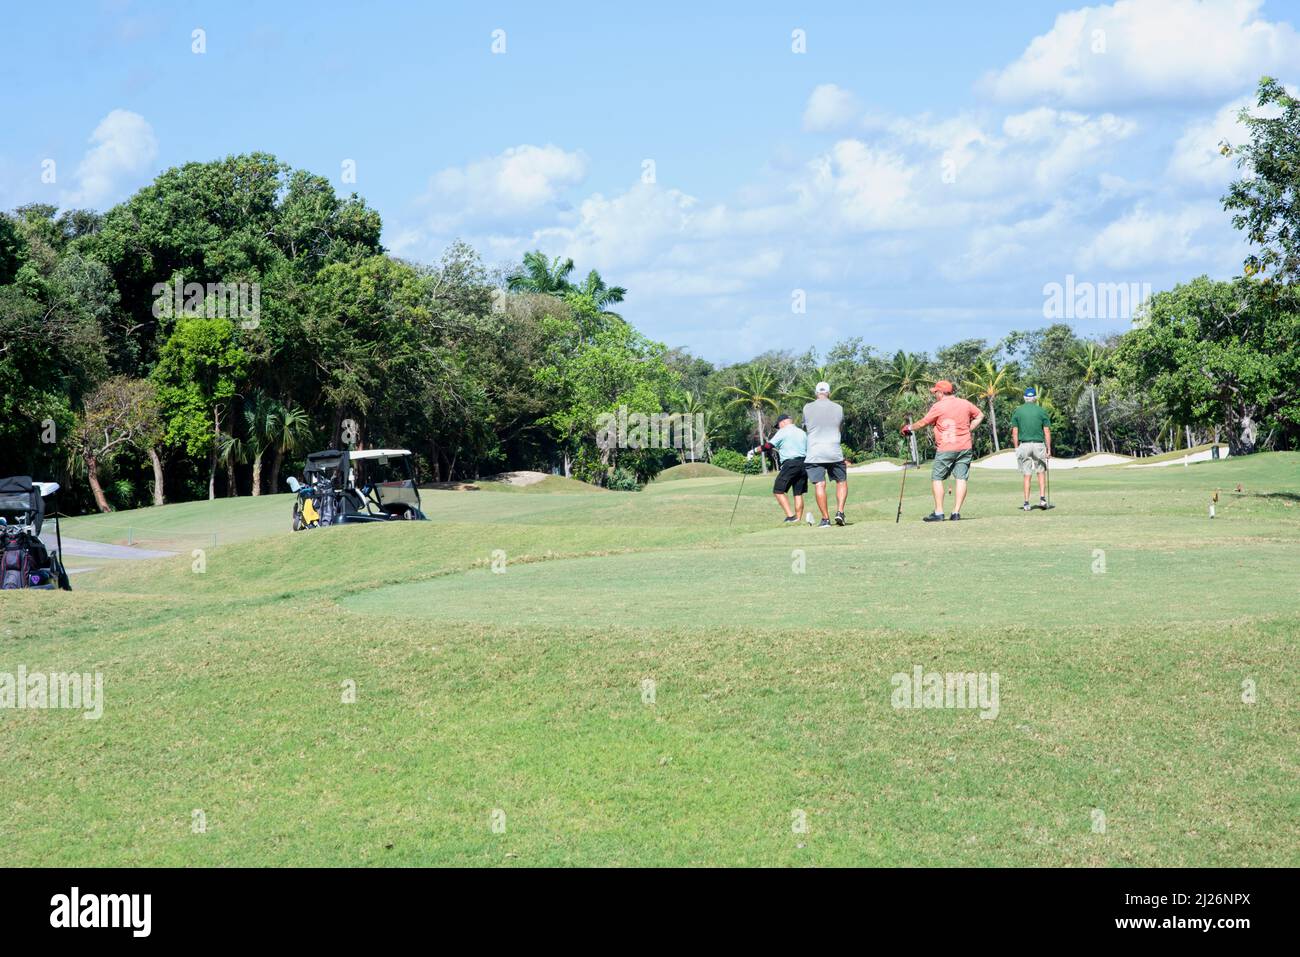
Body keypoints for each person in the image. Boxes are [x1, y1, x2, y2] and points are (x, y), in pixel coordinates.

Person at [902, 380, 984, 522]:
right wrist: (968, 429)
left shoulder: (938, 406)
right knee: (961, 478)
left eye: (936, 393)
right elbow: (980, 415)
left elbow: (923, 422)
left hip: (946, 447)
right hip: (965, 446)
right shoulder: (965, 403)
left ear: (940, 393)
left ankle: (939, 512)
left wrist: (908, 428)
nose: (935, 395)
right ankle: (956, 512)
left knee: (937, 478)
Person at [802, 381, 847, 528]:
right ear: (829, 392)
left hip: (815, 452)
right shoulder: (838, 408)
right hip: (834, 451)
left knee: (820, 484)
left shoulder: (807, 408)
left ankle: (825, 519)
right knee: (841, 481)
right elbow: (840, 428)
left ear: (816, 393)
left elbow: (806, 428)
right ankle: (840, 512)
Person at [753, 413, 807, 523]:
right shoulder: (802, 432)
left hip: (790, 463)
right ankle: (798, 519)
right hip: (804, 464)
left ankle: (791, 517)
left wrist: (754, 451)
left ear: (783, 422)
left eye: (778, 426)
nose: (778, 428)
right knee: (798, 493)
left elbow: (768, 446)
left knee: (778, 490)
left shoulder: (783, 431)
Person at [1010, 386, 1052, 511]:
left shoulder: (1018, 411)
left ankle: (1027, 503)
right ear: (1035, 398)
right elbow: (1047, 431)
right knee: (1040, 471)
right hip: (1039, 445)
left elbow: (1014, 432)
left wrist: (1016, 447)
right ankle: (1042, 499)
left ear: (1024, 398)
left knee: (1027, 474)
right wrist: (1049, 449)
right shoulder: (1041, 411)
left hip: (1024, 445)